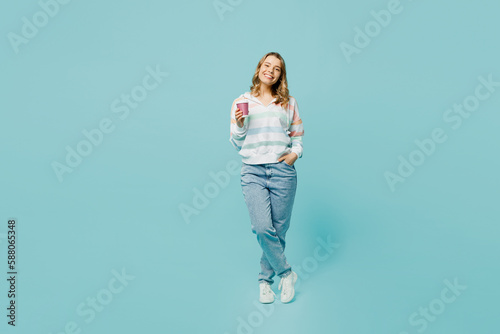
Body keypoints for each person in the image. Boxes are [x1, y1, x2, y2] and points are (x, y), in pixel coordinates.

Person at [229, 51, 304, 304]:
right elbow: (236, 141)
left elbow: (298, 135)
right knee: (262, 227)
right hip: (253, 170)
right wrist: (240, 125)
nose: (270, 70)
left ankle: (265, 281)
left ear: (281, 75)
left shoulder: (289, 102)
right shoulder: (242, 101)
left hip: (283, 171)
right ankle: (287, 273)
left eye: (277, 68)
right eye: (267, 65)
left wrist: (296, 153)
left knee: (278, 230)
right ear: (259, 68)